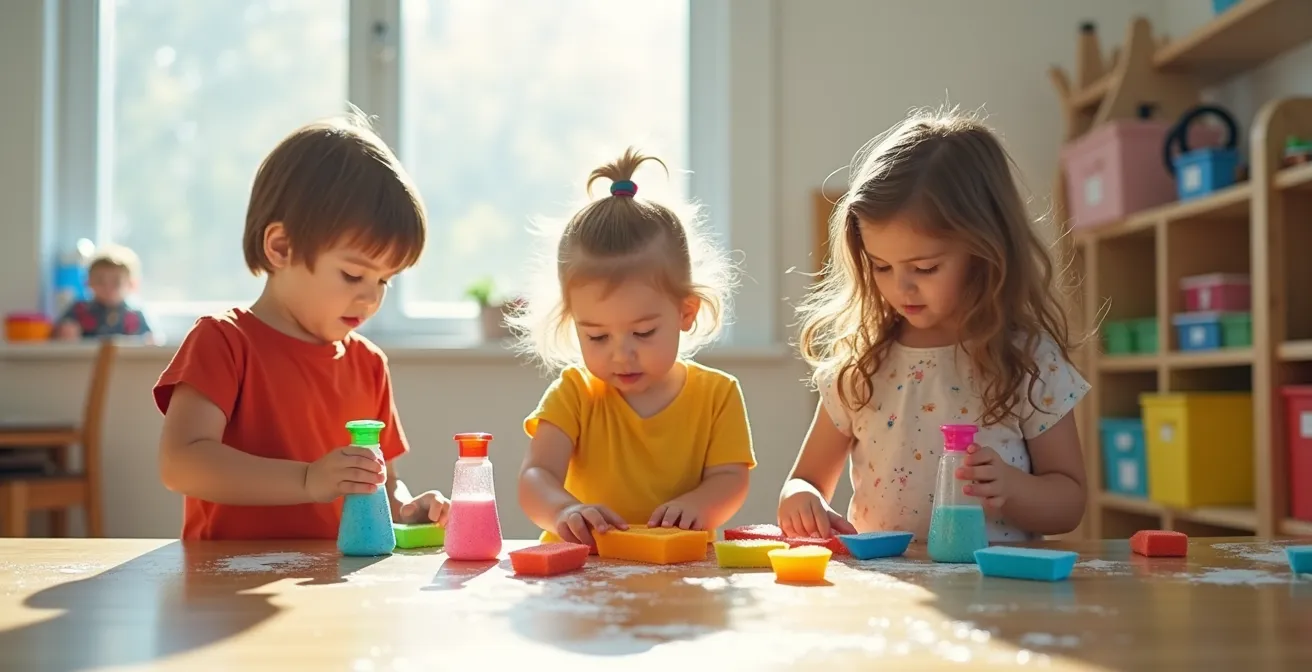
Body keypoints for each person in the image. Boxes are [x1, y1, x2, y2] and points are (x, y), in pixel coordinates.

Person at [779, 107, 1092, 544]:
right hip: (887, 581)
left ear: (984, 251)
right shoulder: (862, 364)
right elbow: (806, 479)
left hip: (995, 582)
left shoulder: (1029, 361)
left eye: (924, 268)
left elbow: (1069, 503)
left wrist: (1013, 489)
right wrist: (801, 498)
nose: (901, 287)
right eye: (881, 266)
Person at [152, 113, 450, 541]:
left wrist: (405, 508)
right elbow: (180, 463)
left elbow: (381, 482)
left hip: (331, 578)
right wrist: (308, 479)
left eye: (385, 280)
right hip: (223, 577)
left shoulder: (369, 365)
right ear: (281, 247)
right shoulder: (223, 342)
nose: (371, 298)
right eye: (352, 275)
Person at [513, 147, 755, 546]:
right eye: (597, 336)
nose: (621, 355)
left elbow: (730, 478)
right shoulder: (574, 394)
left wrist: (699, 505)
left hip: (680, 566)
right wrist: (563, 511)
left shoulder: (718, 395)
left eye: (643, 333)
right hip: (584, 567)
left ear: (686, 312)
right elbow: (536, 475)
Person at [53, 244, 154, 342]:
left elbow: (150, 342)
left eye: (116, 282)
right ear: (88, 282)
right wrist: (65, 334)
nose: (108, 287)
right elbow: (54, 339)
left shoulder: (135, 316)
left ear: (131, 284)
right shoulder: (78, 310)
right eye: (100, 281)